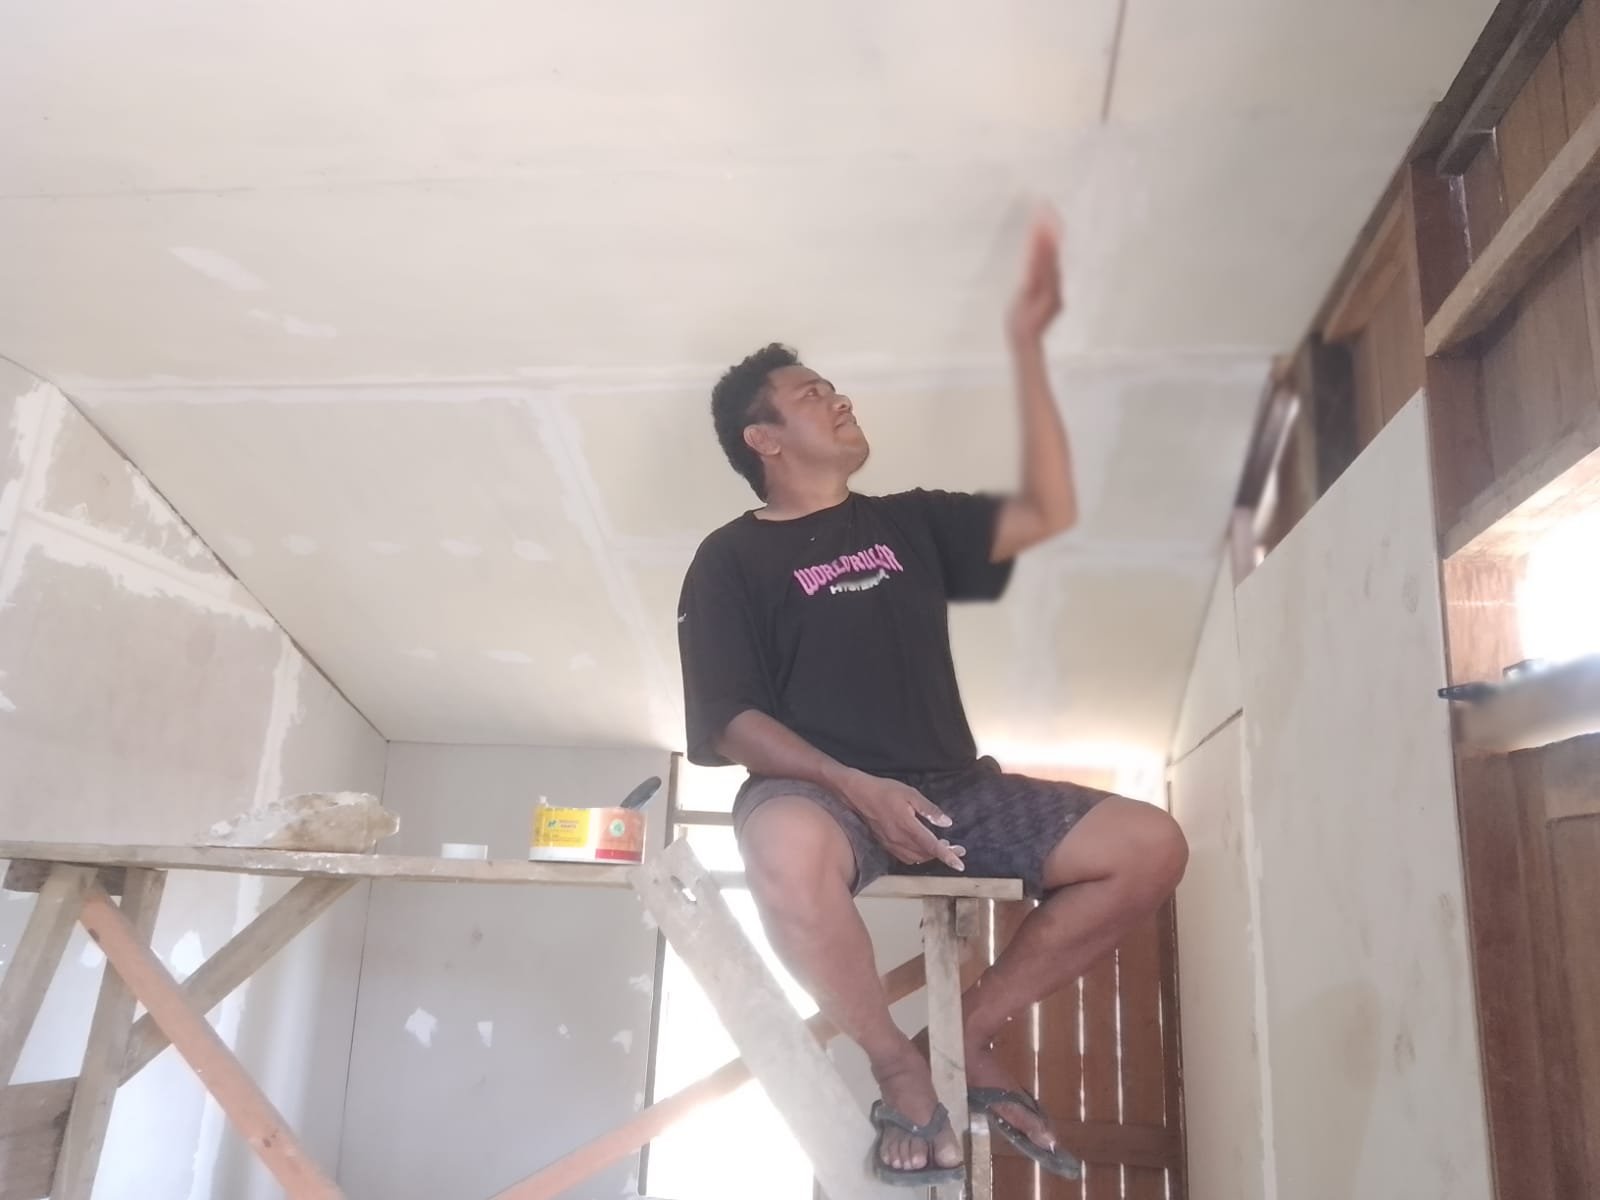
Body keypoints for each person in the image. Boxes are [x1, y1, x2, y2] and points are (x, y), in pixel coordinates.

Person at [675, 210, 1188, 1186]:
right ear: (763, 439)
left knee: (1150, 845)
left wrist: (1027, 348)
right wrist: (855, 787)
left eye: (834, 387)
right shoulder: (730, 557)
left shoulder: (910, 523)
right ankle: (897, 1066)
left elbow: (1046, 508)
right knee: (781, 847)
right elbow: (733, 721)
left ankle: (967, 1033)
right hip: (817, 792)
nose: (838, 399)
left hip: (955, 788)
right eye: (811, 394)